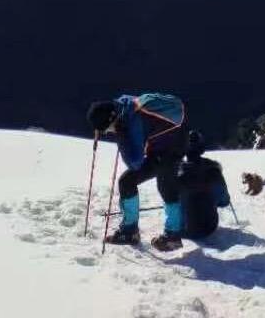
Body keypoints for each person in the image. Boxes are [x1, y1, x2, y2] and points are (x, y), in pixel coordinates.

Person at [86, 92, 188, 250]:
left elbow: (135, 163)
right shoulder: (122, 106)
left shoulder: (133, 120)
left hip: (172, 148)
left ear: (112, 118)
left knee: (166, 186)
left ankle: (172, 236)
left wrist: (121, 136)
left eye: (108, 129)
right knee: (127, 181)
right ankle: (130, 231)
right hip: (159, 145)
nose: (109, 132)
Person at [172, 131, 232, 242]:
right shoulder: (213, 169)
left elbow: (170, 201)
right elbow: (224, 201)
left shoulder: (175, 170)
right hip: (208, 228)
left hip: (181, 230)